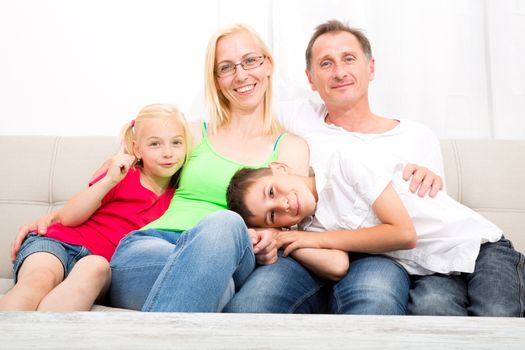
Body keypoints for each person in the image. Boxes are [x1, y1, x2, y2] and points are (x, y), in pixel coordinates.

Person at [223, 20, 446, 315]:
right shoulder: (300, 116)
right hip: (307, 252)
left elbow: (426, 221)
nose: (339, 72)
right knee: (254, 302)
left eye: (349, 59)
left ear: (371, 68)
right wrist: (143, 137)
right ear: (311, 79)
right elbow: (238, 107)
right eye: (326, 63)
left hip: (378, 254)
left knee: (374, 299)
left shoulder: (418, 137)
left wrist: (430, 180)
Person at [107, 23, 321, 312]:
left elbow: (288, 218)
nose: (241, 75)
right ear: (217, 79)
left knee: (225, 223)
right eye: (227, 67)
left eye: (249, 61)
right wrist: (59, 220)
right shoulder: (192, 133)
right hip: (151, 250)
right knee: (221, 292)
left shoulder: (290, 147)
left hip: (234, 260)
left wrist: (270, 237)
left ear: (267, 65)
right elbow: (125, 168)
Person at [226, 149, 525, 317]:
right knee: (433, 311)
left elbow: (403, 233)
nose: (283, 203)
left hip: (479, 247)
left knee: (496, 314)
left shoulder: (344, 165)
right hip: (434, 272)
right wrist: (283, 240)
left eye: (272, 191)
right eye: (273, 215)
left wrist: (312, 239)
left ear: (279, 168)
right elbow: (338, 265)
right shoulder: (309, 225)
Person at [0, 104, 189, 311]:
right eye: (155, 144)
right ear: (137, 149)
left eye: (177, 142)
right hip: (58, 242)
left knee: (95, 267)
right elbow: (69, 218)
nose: (168, 153)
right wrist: (109, 180)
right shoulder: (122, 175)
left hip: (100, 263)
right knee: (39, 279)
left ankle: (43, 338)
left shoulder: (181, 195)